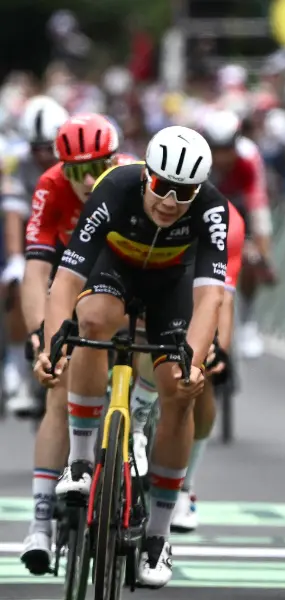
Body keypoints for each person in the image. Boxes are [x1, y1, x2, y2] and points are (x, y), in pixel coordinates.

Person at [33, 126, 228, 588]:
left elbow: (210, 300)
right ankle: (80, 461)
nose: (169, 201)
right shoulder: (115, 187)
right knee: (92, 321)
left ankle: (159, 536)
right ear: (146, 177)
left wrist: (192, 366)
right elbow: (65, 280)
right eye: (162, 187)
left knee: (178, 392)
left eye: (184, 193)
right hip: (114, 270)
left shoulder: (212, 209)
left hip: (172, 288)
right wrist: (52, 345)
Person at [18, 114, 137, 574]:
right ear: (60, 168)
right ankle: (41, 523)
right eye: (75, 170)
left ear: (115, 159)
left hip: (129, 282)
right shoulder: (50, 186)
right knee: (57, 388)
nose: (87, 181)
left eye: (97, 167)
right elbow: (36, 271)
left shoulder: (133, 180)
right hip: (72, 283)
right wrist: (41, 335)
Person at [168, 204, 245, 532]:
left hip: (197, 289)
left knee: (204, 370)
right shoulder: (146, 201)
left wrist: (221, 350)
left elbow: (222, 297)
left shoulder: (228, 222)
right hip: (145, 276)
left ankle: (185, 485)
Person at [2, 96, 70, 413]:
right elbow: (14, 212)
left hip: (70, 232)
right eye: (36, 147)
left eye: (48, 147)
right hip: (36, 231)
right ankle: (17, 365)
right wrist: (17, 259)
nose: (42, 155)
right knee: (18, 284)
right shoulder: (15, 160)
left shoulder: (76, 157)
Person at [201, 108, 274, 359]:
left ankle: (248, 321)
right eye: (216, 149)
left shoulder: (249, 157)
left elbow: (258, 207)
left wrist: (263, 256)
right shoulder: (199, 157)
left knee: (251, 259)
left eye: (226, 149)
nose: (221, 157)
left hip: (240, 206)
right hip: (206, 204)